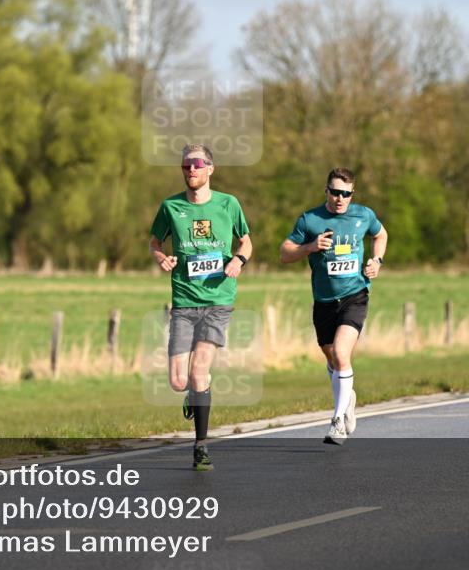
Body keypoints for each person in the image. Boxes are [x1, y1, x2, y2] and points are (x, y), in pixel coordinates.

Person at [149, 144, 252, 470]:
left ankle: (201, 446)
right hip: (183, 301)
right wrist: (162, 257)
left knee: (199, 371)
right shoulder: (171, 207)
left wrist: (239, 259)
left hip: (218, 301)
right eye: (185, 165)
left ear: (210, 168)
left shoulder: (228, 204)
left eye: (196, 164)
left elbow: (246, 240)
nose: (190, 169)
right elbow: (154, 241)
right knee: (180, 381)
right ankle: (194, 393)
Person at [279, 167, 388, 445]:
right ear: (326, 190)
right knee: (333, 360)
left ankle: (337, 420)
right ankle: (347, 398)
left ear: (353, 194)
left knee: (342, 354)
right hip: (324, 301)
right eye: (336, 192)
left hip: (355, 295)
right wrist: (310, 247)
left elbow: (381, 235)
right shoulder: (310, 219)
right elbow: (284, 253)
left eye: (346, 194)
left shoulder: (363, 215)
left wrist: (376, 261)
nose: (341, 198)